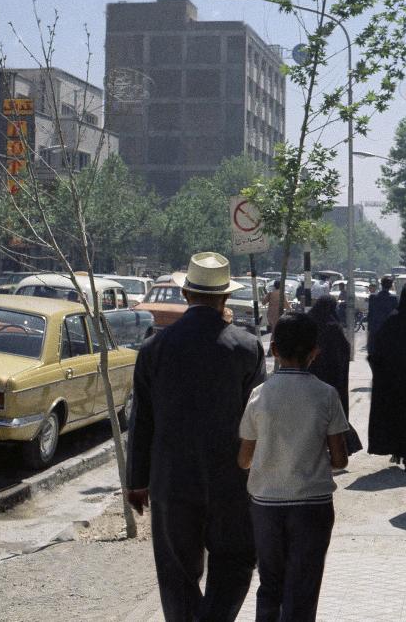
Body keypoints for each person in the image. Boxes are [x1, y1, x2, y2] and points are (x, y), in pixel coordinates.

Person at [126, 251, 266, 622]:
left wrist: (136, 482)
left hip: (171, 479)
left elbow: (142, 421)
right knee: (236, 561)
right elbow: (257, 422)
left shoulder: (154, 348)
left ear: (186, 295)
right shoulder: (246, 348)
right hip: (232, 480)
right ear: (225, 298)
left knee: (176, 571)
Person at [238, 312, 349, 621]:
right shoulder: (326, 395)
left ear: (273, 349)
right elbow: (340, 459)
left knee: (270, 583)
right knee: (303, 588)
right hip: (312, 506)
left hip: (265, 506)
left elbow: (244, 458)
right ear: (315, 351)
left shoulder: (259, 396)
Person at [367, 283, 406, 471]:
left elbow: (378, 348)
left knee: (397, 415)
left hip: (394, 380)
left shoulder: (392, 320)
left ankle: (397, 449)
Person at [307, 296, 362, 455]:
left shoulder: (308, 323)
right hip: (332, 378)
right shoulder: (333, 327)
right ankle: (338, 448)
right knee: (334, 414)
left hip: (310, 375)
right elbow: (343, 352)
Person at [366, 275, 398, 354]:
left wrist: (369, 328)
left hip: (374, 328)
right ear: (391, 286)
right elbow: (395, 315)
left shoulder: (373, 297)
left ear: (381, 284)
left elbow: (370, 313)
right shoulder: (393, 299)